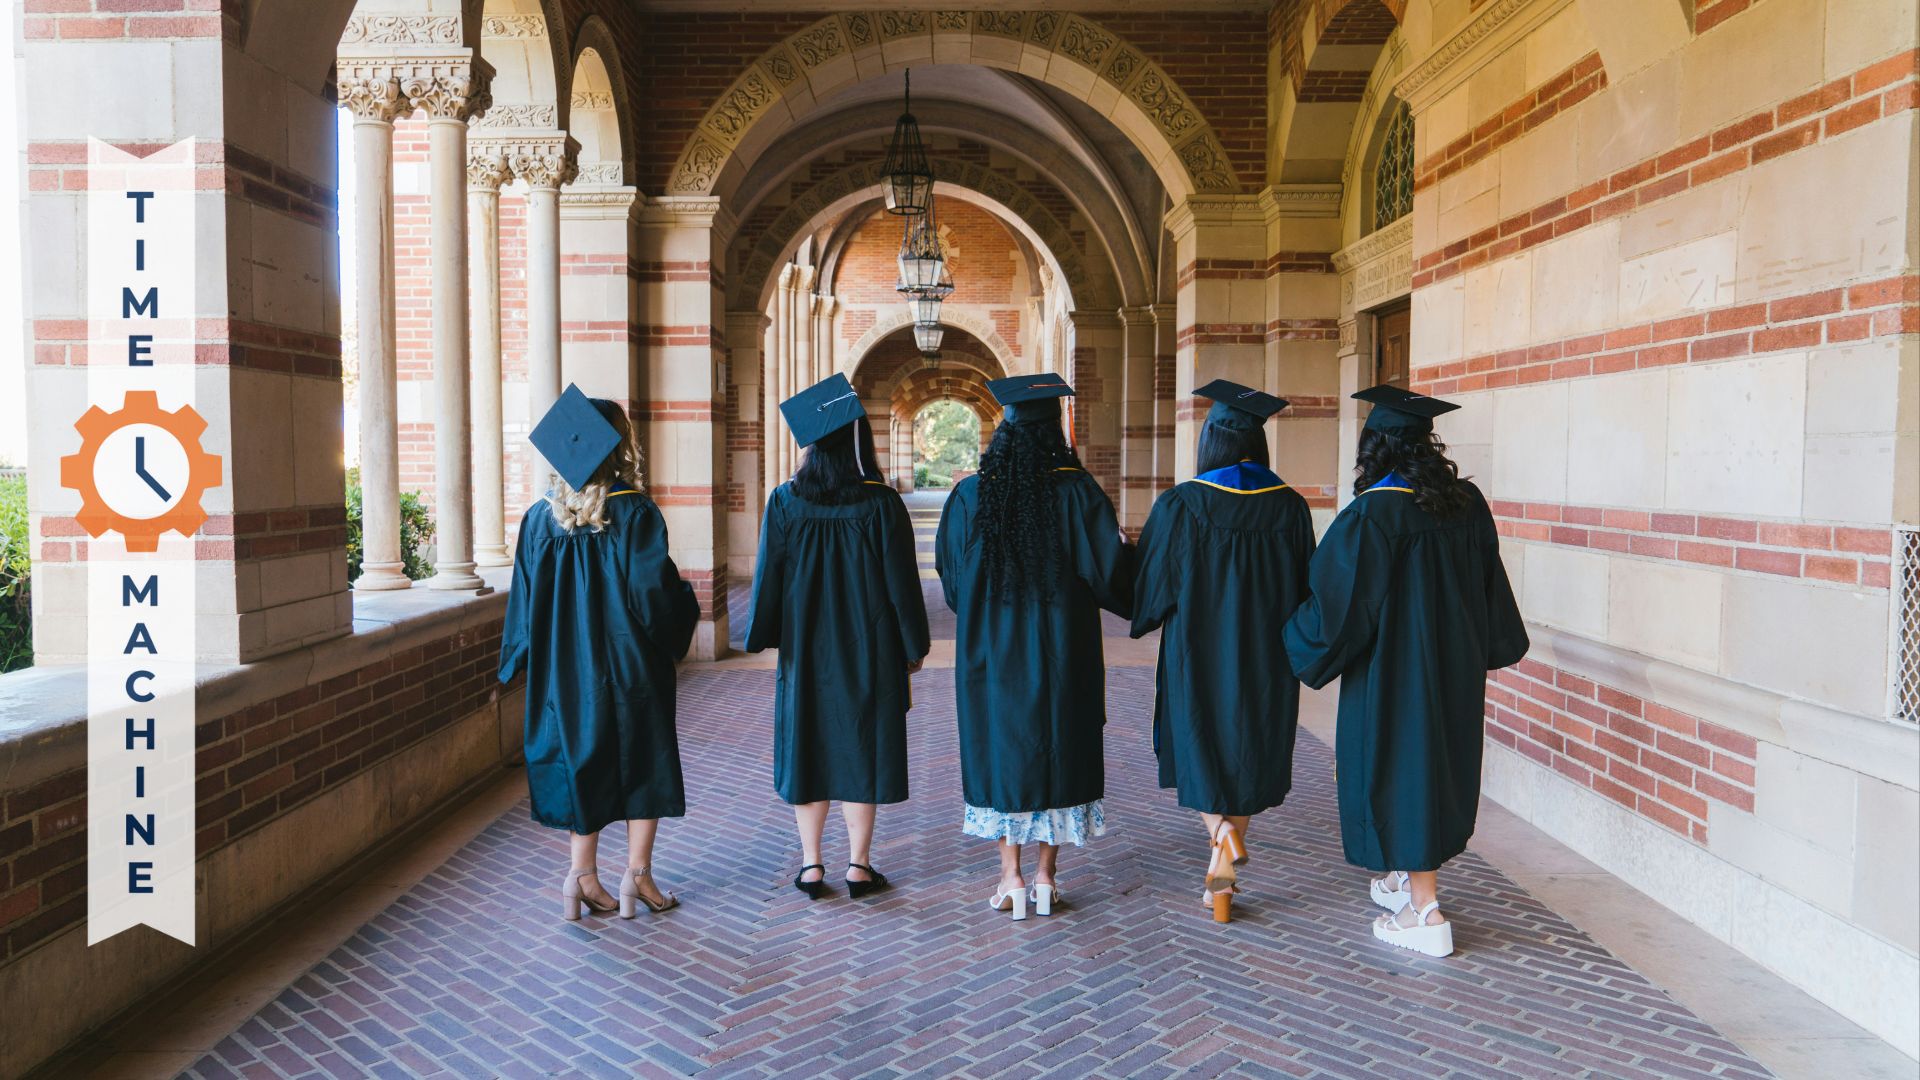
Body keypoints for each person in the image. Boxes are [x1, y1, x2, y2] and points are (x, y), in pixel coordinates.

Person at [1282, 385, 1528, 958]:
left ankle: (1426, 911)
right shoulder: (1465, 503)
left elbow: (1336, 610)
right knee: (1433, 769)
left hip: (1392, 675)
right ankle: (1399, 881)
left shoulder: (1372, 516)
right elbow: (1491, 591)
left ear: (1376, 450)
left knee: (1399, 769)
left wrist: (1292, 637)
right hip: (1453, 671)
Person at [935, 373, 1133, 921]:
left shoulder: (971, 495)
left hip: (992, 655)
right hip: (1063, 651)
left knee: (1003, 753)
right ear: (1055, 436)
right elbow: (1110, 576)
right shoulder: (1078, 491)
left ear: (1003, 434)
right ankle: (1048, 876)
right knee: (1059, 747)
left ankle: (1011, 877)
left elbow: (953, 584)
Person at [499, 385, 700, 922]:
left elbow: (523, 600)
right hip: (629, 662)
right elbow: (653, 596)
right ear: (618, 449)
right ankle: (637, 878)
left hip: (565, 666)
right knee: (642, 759)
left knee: (578, 759)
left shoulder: (538, 520)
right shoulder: (633, 513)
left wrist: (519, 657)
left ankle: (580, 876)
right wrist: (685, 606)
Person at [1130, 380, 1316, 923]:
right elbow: (1309, 587)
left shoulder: (1183, 503)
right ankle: (1222, 878)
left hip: (1198, 652)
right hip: (1266, 657)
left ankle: (1223, 843)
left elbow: (1154, 587)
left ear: (1209, 442)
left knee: (1202, 747)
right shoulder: (1291, 507)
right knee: (1248, 754)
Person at [745, 373, 932, 901]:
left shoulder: (784, 502)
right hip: (869, 648)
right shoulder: (881, 504)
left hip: (806, 650)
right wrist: (912, 646)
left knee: (808, 746)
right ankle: (858, 864)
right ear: (858, 440)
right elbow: (902, 586)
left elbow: (769, 580)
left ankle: (810, 865)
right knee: (861, 745)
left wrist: (766, 636)